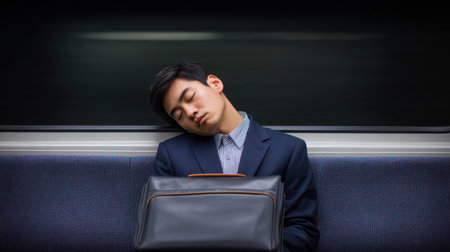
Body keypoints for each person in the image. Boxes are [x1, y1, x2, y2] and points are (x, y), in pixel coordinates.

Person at [149, 61, 319, 251]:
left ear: (215, 84)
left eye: (190, 97)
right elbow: (161, 232)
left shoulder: (288, 150)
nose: (190, 112)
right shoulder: (171, 154)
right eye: (179, 115)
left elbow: (302, 231)